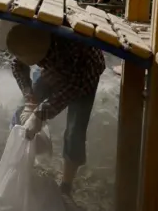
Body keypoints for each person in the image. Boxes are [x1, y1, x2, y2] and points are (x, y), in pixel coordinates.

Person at [7, 24, 105, 196]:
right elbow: (17, 65)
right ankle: (25, 162)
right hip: (56, 64)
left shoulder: (69, 50)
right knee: (23, 109)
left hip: (85, 71)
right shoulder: (31, 38)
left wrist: (39, 115)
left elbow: (71, 89)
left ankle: (66, 185)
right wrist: (30, 98)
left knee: (75, 130)